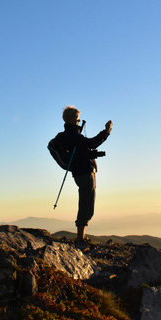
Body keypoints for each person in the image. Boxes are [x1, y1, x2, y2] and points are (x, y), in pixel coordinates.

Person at [61, 106, 113, 250]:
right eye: (77, 118)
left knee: (86, 202)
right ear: (71, 119)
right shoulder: (73, 135)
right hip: (84, 173)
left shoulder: (69, 135)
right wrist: (106, 132)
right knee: (86, 203)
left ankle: (81, 237)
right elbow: (91, 143)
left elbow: (82, 151)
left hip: (80, 172)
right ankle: (80, 239)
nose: (79, 121)